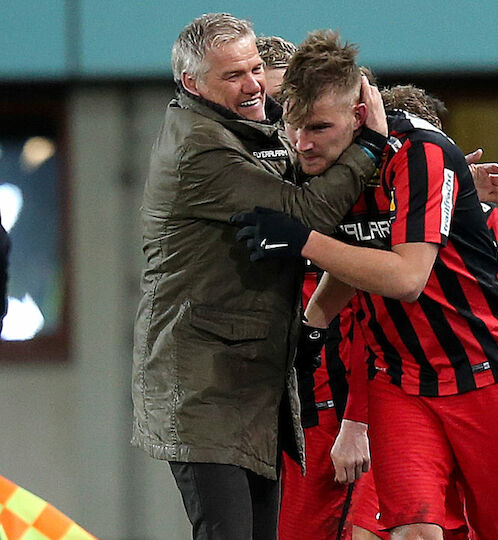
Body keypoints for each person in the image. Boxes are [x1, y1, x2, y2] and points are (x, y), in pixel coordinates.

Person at [232, 36, 498, 540]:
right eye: (293, 126)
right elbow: (359, 249)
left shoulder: (423, 151)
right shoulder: (331, 162)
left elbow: (406, 278)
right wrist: (310, 327)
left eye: (318, 127)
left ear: (359, 114)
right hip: (399, 380)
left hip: (485, 372)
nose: (303, 142)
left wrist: (305, 241)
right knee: (409, 531)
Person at [131, 13, 388, 540]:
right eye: (234, 76)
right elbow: (307, 214)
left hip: (251, 378)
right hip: (204, 386)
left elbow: (313, 186)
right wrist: (371, 149)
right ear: (192, 83)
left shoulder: (251, 127)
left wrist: (422, 194)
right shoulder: (199, 147)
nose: (252, 86)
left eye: (254, 69)